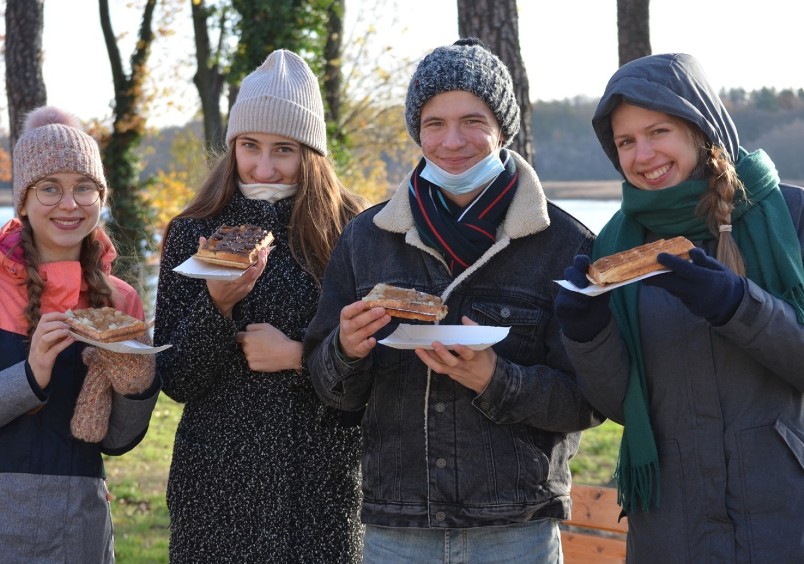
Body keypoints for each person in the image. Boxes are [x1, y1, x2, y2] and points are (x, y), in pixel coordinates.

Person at [304, 38, 603, 563]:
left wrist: (497, 380)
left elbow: (590, 401)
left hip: (515, 528)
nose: (452, 140)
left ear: (502, 128)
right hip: (397, 528)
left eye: (472, 120)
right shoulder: (366, 238)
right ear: (416, 131)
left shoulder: (565, 244)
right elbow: (331, 393)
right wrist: (344, 351)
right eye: (434, 123)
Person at [554, 53, 804, 563]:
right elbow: (625, 407)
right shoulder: (614, 247)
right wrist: (586, 333)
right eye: (626, 142)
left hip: (785, 520)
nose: (643, 155)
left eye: (658, 131)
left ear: (699, 127)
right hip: (672, 531)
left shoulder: (790, 217)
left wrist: (738, 305)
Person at [154, 49, 368, 562]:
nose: (264, 165)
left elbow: (377, 370)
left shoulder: (350, 230)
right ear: (232, 147)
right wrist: (216, 307)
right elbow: (176, 379)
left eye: (284, 150)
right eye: (249, 146)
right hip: (215, 486)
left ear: (310, 152)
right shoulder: (192, 232)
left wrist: (300, 357)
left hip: (319, 484)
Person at [0, 106, 160, 562]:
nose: (69, 204)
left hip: (80, 528)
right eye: (50, 188)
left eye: (84, 187)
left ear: (100, 198)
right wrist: (30, 376)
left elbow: (118, 441)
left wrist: (138, 382)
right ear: (23, 201)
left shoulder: (121, 301)